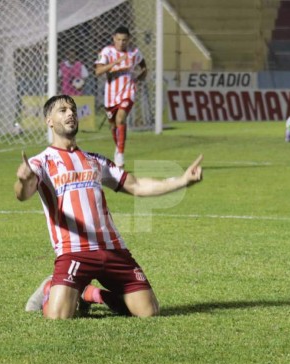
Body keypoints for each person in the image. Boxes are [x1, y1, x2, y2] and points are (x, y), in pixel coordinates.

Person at [15, 94, 203, 319]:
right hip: (74, 251)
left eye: (72, 109)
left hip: (112, 249)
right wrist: (23, 180)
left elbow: (138, 186)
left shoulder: (95, 160)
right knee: (58, 317)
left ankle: (89, 293)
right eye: (62, 110)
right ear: (49, 120)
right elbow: (23, 194)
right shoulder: (40, 162)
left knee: (149, 312)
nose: (70, 113)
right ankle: (51, 287)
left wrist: (182, 181)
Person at [94, 26, 147, 169]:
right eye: (118, 39)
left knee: (120, 119)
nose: (121, 42)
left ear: (129, 39)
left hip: (128, 92)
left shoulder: (134, 53)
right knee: (113, 125)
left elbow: (144, 67)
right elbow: (98, 71)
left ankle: (120, 154)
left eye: (124, 40)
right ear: (114, 39)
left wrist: (139, 77)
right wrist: (115, 63)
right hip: (111, 96)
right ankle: (118, 148)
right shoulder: (107, 52)